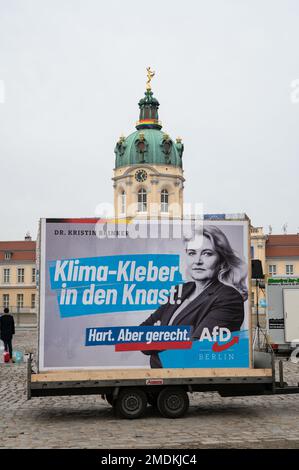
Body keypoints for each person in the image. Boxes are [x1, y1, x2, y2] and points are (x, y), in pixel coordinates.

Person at [141, 225, 248, 368]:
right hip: (159, 372)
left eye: (207, 253)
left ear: (222, 261)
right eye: (192, 253)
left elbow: (195, 348)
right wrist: (176, 337)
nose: (197, 261)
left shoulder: (228, 297)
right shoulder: (182, 289)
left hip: (184, 373)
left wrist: (158, 334)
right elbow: (140, 334)